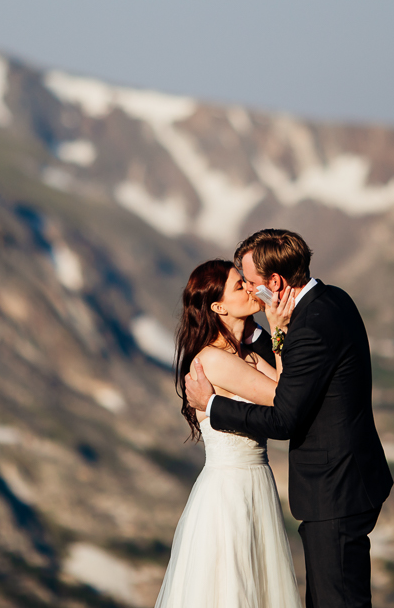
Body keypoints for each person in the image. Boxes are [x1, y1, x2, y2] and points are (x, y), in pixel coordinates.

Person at [187, 229, 393, 608]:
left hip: (335, 490)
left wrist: (212, 406)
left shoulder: (310, 326)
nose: (250, 291)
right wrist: (272, 332)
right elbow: (289, 369)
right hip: (345, 481)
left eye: (248, 281)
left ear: (275, 282)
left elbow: (284, 417)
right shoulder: (333, 300)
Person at [154, 258, 300, 608]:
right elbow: (280, 397)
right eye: (240, 285)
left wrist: (274, 330)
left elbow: (289, 389)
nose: (251, 289)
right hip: (230, 491)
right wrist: (278, 328)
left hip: (255, 481)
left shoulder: (245, 355)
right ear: (218, 306)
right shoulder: (214, 359)